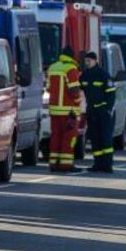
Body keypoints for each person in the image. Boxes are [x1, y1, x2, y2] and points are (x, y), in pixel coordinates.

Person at [46, 45, 83, 173]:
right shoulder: (71, 69)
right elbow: (74, 90)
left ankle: (53, 163)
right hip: (68, 111)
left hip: (54, 109)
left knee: (56, 136)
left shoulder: (53, 67)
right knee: (69, 137)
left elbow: (48, 88)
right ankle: (66, 164)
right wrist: (78, 101)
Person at [80, 51, 116, 173]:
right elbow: (79, 88)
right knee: (95, 139)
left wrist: (107, 109)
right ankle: (98, 163)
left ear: (95, 61)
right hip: (92, 112)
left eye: (89, 61)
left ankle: (107, 164)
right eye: (86, 61)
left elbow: (111, 94)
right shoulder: (85, 75)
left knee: (105, 138)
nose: (87, 63)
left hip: (103, 112)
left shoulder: (103, 75)